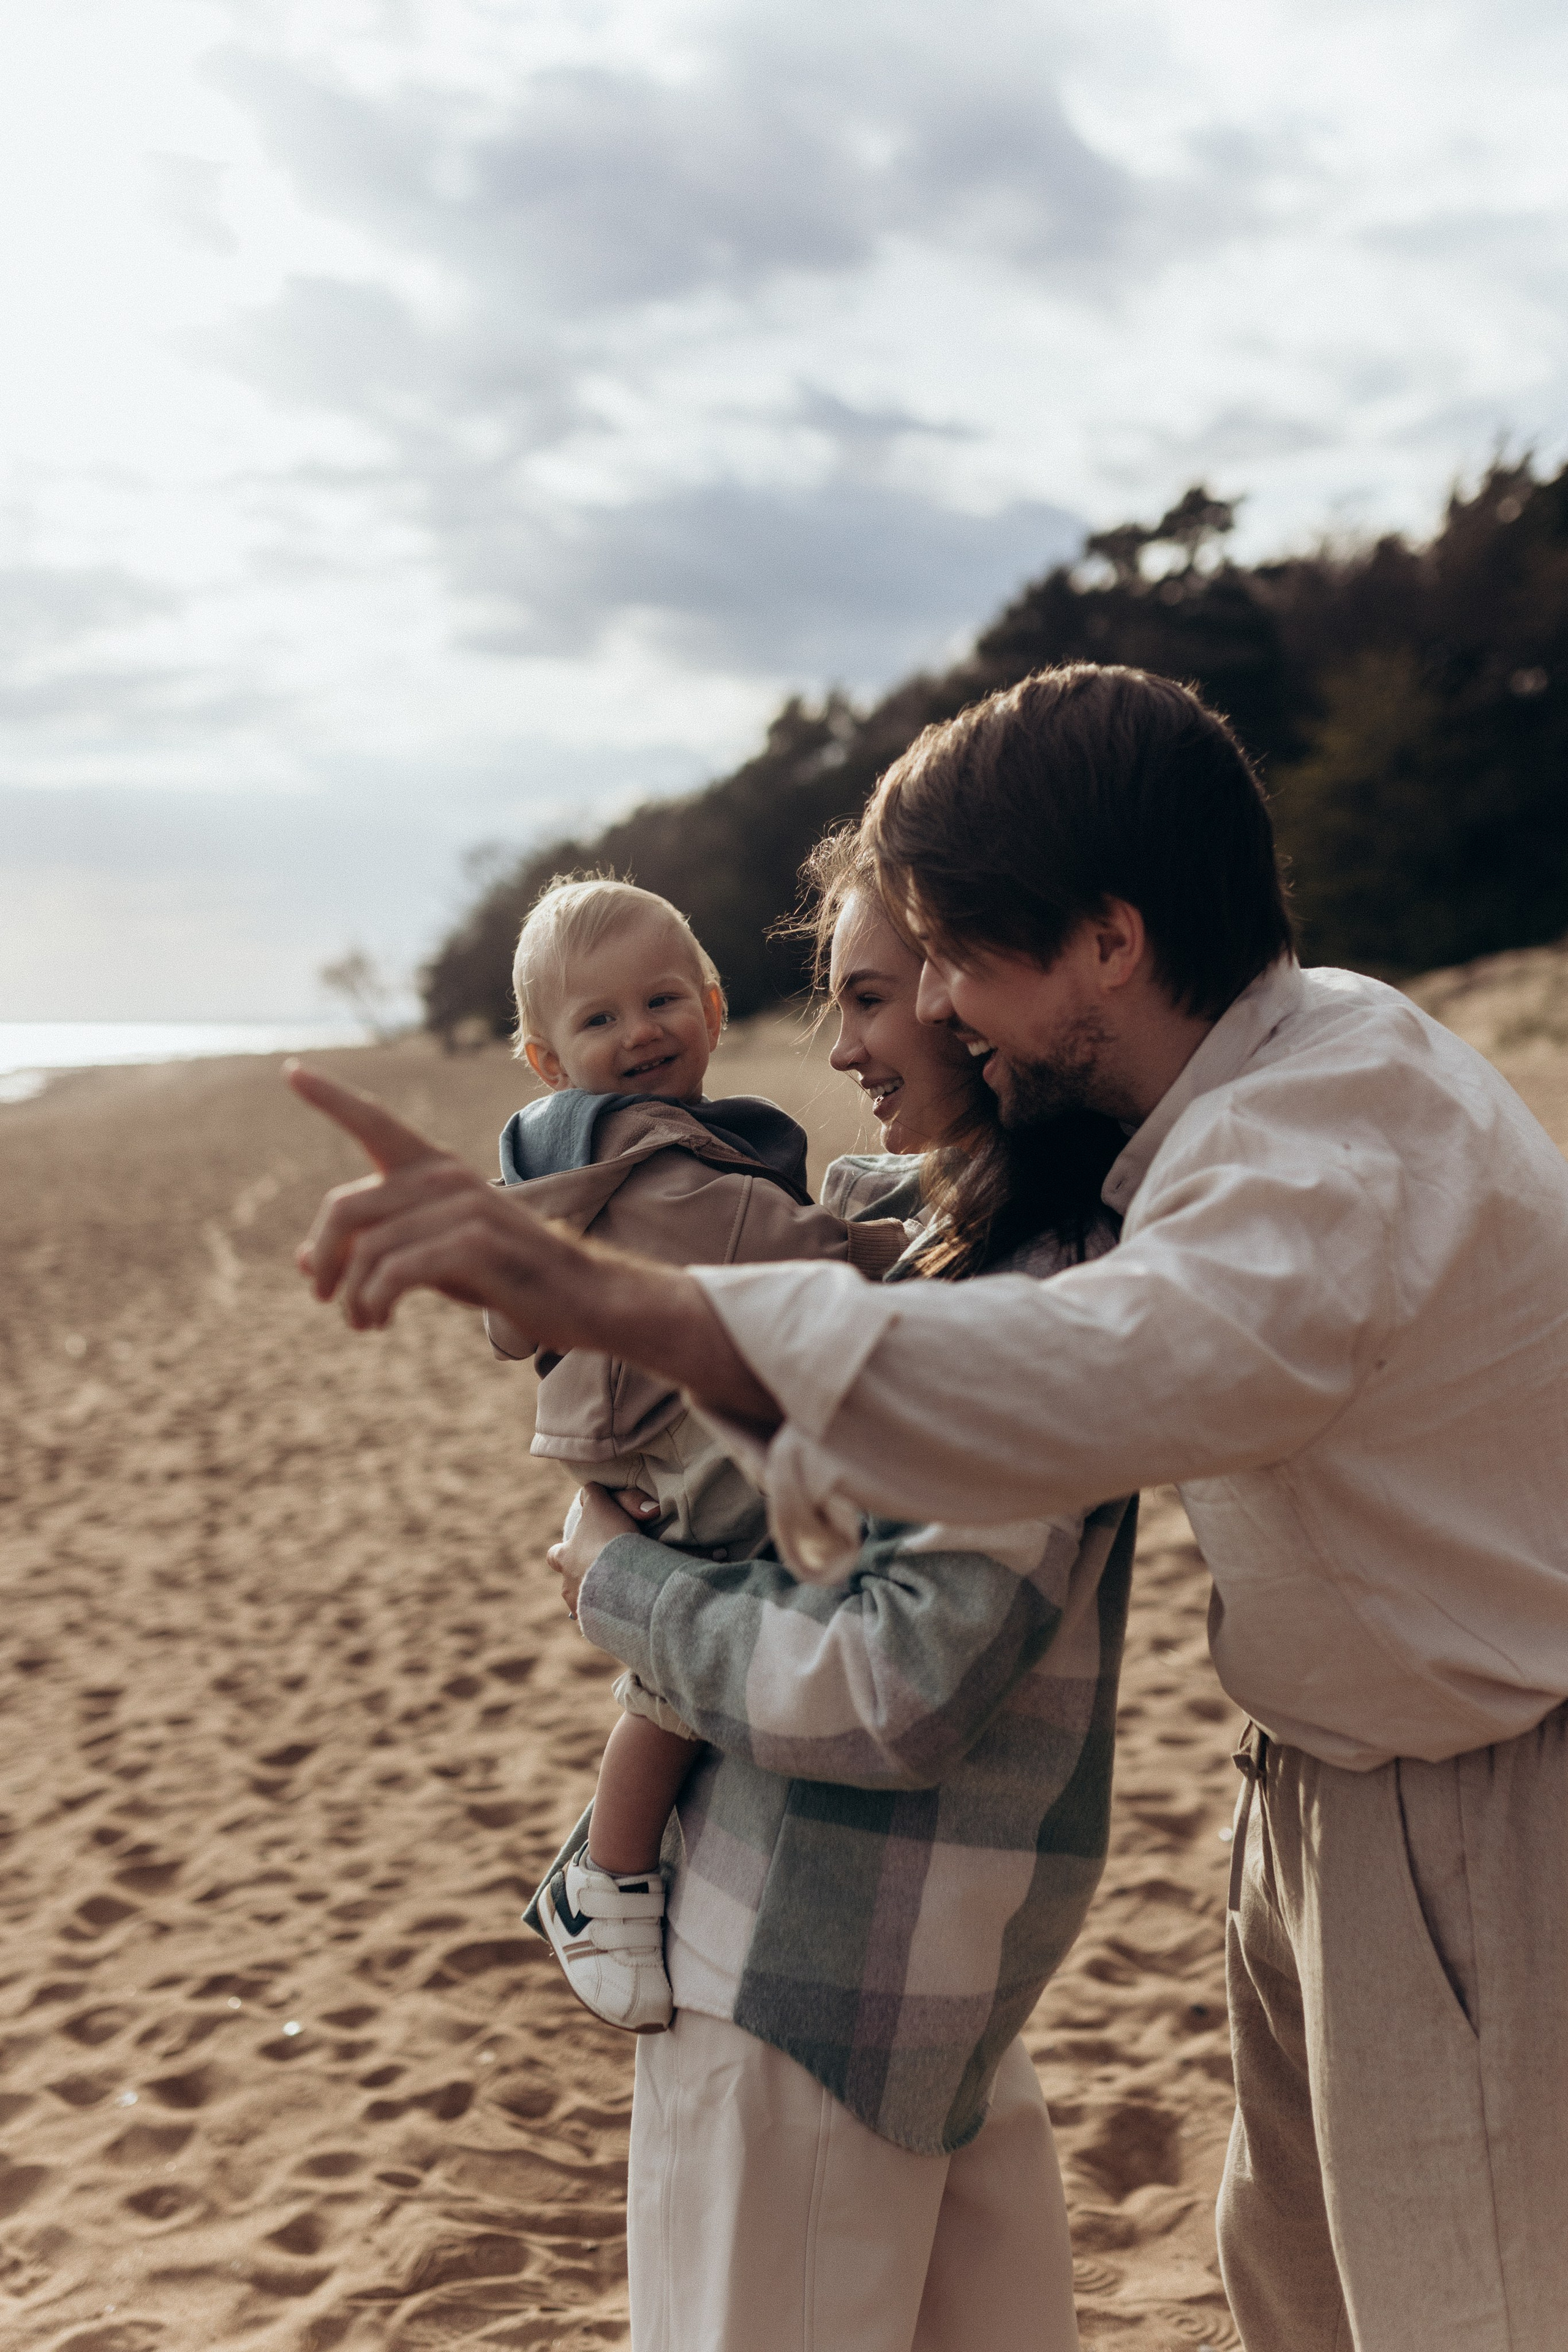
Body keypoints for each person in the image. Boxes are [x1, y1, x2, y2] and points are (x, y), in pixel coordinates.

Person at [296, 661, 1568, 2352]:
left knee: (1460, 2309)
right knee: (1307, 2288)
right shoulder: (1231, 1096)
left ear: (1109, 939)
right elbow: (931, 1260)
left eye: (952, 960)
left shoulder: (1310, 1156)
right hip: (1319, 1792)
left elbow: (1068, 1377)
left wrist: (633, 1336)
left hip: (1458, 1805)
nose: (940, 1013)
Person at [289, 840, 1133, 2352]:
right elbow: (829, 1230)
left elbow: (902, 1680)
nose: (843, 1041)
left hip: (889, 1979)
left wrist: (617, 1581)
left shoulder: (1030, 1276)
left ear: (989, 990)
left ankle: (595, 1868)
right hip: (822, 1965)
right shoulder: (962, 1240)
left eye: (880, 993)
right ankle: (597, 1868)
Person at [480, 873, 907, 2035]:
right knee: (692, 1645)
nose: (639, 1034)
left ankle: (621, 1862)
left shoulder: (577, 1159)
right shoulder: (650, 1162)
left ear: (714, 1008)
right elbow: (788, 1250)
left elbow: (507, 1311)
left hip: (633, 1419)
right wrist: (908, 1245)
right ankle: (604, 1878)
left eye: (661, 1000)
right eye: (598, 1021)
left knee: (710, 1625)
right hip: (660, 1432)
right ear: (545, 1059)